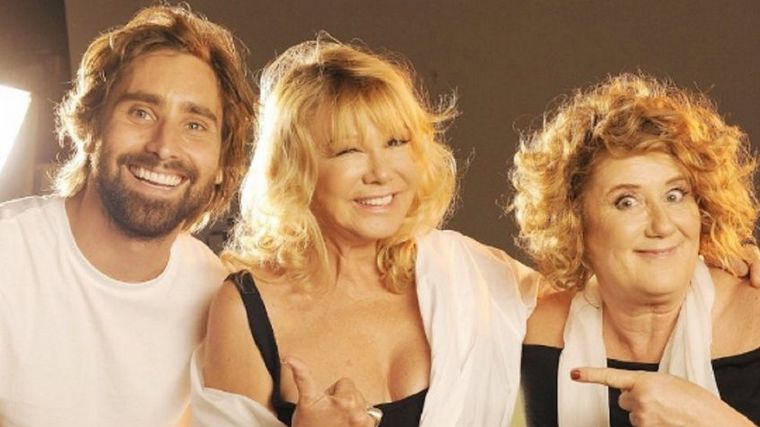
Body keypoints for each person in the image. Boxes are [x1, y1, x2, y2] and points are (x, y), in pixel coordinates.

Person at [190, 36, 540, 427]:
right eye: (348, 150)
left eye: (396, 142)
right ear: (295, 170)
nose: (381, 173)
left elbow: (585, 315)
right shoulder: (247, 308)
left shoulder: (470, 272)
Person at [0, 4, 254, 426]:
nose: (164, 146)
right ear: (90, 126)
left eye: (195, 125)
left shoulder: (218, 295)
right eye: (141, 112)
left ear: (222, 164)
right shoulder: (8, 256)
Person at [516, 73, 760, 426]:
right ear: (575, 222)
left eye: (675, 195)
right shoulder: (531, 329)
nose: (662, 226)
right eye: (627, 202)